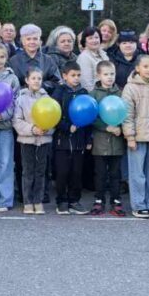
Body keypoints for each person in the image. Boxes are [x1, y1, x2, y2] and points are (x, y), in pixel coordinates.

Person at [122, 54, 149, 218]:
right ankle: (138, 205)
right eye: (145, 66)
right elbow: (127, 115)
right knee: (137, 173)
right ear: (137, 68)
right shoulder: (130, 88)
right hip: (137, 137)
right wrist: (130, 136)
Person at [51, 62, 90, 215]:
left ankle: (74, 200)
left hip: (79, 141)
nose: (76, 78)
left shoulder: (84, 93)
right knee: (62, 172)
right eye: (73, 75)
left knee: (76, 173)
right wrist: (67, 127)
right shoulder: (59, 92)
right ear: (64, 76)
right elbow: (53, 115)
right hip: (62, 141)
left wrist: (88, 140)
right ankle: (61, 201)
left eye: (78, 75)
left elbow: (89, 117)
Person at [13, 67, 52, 215]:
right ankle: (28, 202)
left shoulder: (47, 99)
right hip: (26, 140)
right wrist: (32, 129)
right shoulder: (21, 99)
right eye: (33, 78)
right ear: (27, 80)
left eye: (39, 79)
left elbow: (53, 118)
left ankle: (38, 200)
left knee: (41, 172)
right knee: (27, 171)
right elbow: (17, 120)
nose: (36, 81)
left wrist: (47, 129)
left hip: (44, 140)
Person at [89, 61, 125, 216]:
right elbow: (92, 116)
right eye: (106, 74)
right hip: (100, 141)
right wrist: (105, 127)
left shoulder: (121, 93)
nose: (109, 77)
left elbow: (126, 113)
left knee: (116, 173)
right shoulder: (93, 94)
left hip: (116, 141)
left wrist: (120, 128)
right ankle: (99, 199)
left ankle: (116, 200)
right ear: (98, 75)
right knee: (101, 173)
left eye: (112, 74)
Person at [8, 24, 62, 93]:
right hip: (21, 99)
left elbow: (57, 81)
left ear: (40, 42)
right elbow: (10, 83)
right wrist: (26, 89)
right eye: (28, 39)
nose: (32, 42)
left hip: (44, 98)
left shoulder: (48, 60)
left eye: (35, 39)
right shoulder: (14, 61)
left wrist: (41, 86)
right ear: (23, 42)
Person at [75, 26, 108, 91]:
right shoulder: (84, 58)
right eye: (90, 38)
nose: (94, 40)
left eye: (96, 37)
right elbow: (86, 84)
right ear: (85, 41)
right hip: (94, 96)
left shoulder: (104, 55)